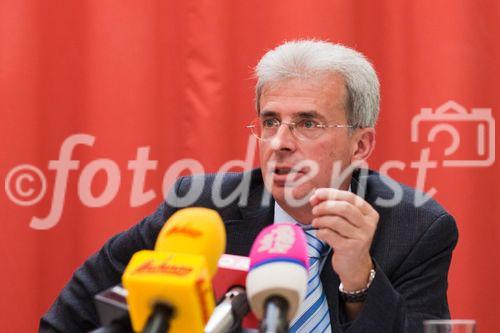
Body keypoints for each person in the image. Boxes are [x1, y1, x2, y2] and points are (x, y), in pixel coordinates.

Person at [40, 40, 458, 333]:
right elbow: (71, 316)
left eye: (307, 124)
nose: (279, 143)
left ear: (361, 143)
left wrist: (358, 279)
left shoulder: (415, 228)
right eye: (271, 121)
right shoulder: (199, 211)